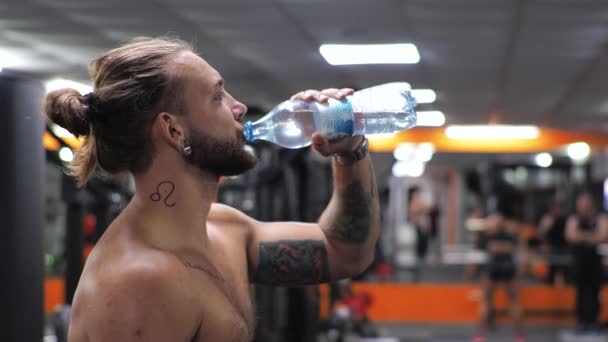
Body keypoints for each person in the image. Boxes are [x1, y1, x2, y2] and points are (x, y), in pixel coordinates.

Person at [44, 37, 380, 342]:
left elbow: (344, 251)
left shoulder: (223, 228)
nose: (240, 108)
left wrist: (350, 152)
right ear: (173, 130)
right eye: (217, 96)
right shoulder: (138, 283)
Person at [474, 212, 525, 342]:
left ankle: (480, 336)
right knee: (509, 301)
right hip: (503, 266)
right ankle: (518, 336)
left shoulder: (493, 231)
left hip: (498, 266)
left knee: (488, 301)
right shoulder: (507, 231)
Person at [565, 190, 608, 336]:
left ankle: (593, 321)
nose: (582, 206)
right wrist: (591, 237)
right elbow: (571, 235)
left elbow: (602, 236)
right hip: (580, 262)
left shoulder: (600, 218)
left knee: (595, 293)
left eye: (585, 203)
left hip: (595, 263)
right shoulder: (574, 219)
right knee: (580, 293)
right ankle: (581, 322)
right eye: (580, 203)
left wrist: (582, 236)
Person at [537, 199, 569, 286]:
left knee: (566, 276)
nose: (556, 210)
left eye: (558, 208)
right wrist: (545, 228)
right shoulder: (547, 219)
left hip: (565, 250)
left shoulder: (566, 219)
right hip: (551, 250)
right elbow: (540, 236)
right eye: (554, 208)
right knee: (550, 275)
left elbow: (569, 236)